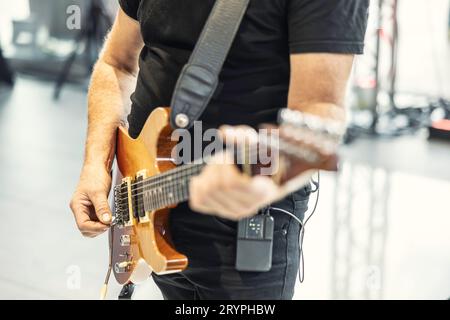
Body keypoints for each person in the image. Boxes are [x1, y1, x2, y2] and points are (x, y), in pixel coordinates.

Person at [70, 0, 369, 300]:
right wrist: (95, 162)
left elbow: (321, 112)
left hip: (244, 228)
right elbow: (116, 64)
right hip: (141, 204)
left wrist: (273, 173)